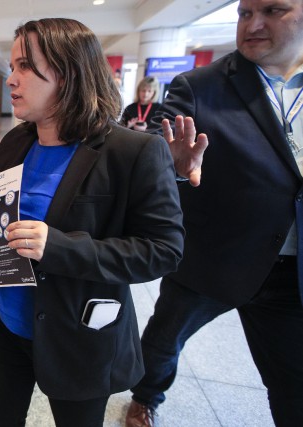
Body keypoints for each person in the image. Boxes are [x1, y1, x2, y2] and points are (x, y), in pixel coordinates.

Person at [0, 18, 184, 426]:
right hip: (9, 321)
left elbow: (163, 251)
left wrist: (58, 246)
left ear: (69, 72)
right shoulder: (18, 141)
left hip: (78, 333)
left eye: (25, 66)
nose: (11, 79)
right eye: (12, 66)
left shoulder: (132, 151)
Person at [125, 1, 303, 426]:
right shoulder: (201, 84)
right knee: (163, 341)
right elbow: (159, 143)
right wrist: (171, 165)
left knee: (292, 379)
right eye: (245, 13)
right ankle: (146, 396)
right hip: (213, 257)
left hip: (292, 271)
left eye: (273, 10)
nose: (252, 24)